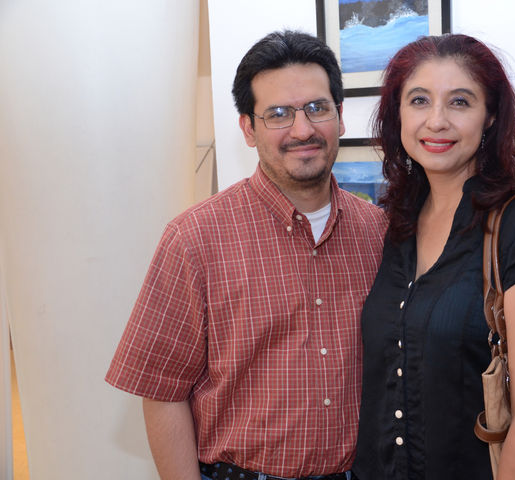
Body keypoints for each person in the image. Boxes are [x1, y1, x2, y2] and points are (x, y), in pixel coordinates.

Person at [106, 30, 387, 480]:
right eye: (278, 114)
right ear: (248, 129)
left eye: (317, 108)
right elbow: (161, 391)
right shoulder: (193, 239)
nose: (303, 129)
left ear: (340, 116)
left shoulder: (379, 232)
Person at [352, 34, 515, 479]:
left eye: (460, 102)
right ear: (397, 114)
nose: (436, 121)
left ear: (490, 116)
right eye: (419, 100)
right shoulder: (396, 220)